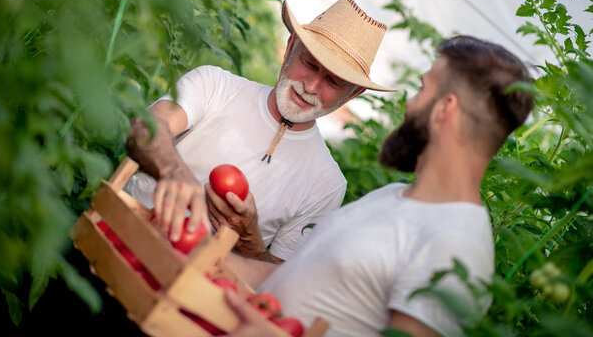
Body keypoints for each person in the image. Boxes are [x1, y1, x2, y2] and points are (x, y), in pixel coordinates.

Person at [222, 35, 534, 336]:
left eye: (422, 90)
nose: (409, 105)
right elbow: (294, 277)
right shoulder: (394, 197)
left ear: (445, 109)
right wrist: (207, 253)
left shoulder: (457, 248)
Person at [125, 0, 395, 262]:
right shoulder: (215, 86)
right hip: (118, 235)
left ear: (352, 94)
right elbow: (145, 128)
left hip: (184, 296)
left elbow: (277, 282)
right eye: (309, 64)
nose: (311, 87)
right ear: (290, 47)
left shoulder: (326, 185)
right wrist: (173, 171)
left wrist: (250, 243)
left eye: (333, 82)